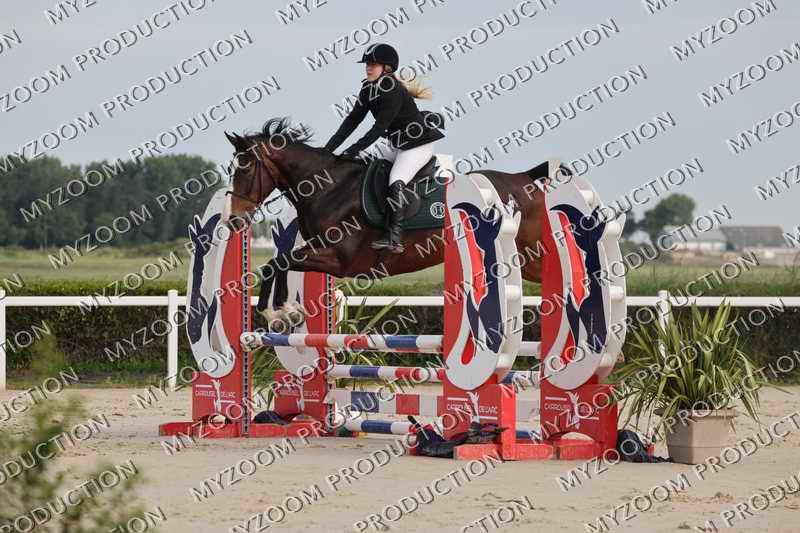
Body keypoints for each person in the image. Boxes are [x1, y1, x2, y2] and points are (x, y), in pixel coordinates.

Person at [324, 43, 445, 254]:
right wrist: (328, 150)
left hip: (418, 145)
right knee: (364, 168)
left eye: (373, 64)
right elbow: (352, 121)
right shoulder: (367, 89)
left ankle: (394, 238)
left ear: (387, 68)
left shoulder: (393, 91)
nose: (368, 68)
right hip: (397, 144)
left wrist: (351, 150)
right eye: (367, 64)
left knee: (396, 180)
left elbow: (378, 128)